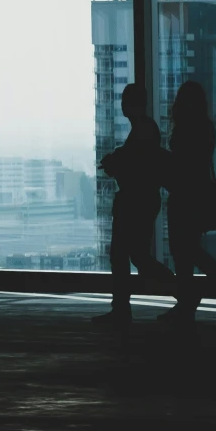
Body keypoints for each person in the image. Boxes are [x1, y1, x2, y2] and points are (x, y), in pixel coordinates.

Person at [164, 80, 216, 325]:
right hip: (196, 196)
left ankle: (212, 296)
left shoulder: (185, 129)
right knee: (188, 251)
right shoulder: (206, 127)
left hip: (184, 196)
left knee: (185, 252)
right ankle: (191, 303)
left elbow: (182, 164)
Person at [94, 81, 175, 328]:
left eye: (125, 101)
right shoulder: (146, 129)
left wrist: (116, 161)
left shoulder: (142, 131)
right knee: (136, 256)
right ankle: (179, 292)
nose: (123, 106)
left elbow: (136, 165)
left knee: (124, 255)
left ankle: (123, 308)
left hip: (135, 201)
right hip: (142, 200)